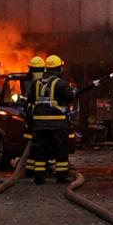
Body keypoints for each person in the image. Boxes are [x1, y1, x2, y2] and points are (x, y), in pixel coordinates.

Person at [25, 54, 75, 184]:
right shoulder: (61, 84)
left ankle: (39, 177)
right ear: (59, 68)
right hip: (57, 124)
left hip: (40, 124)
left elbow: (30, 100)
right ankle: (61, 176)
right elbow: (70, 97)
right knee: (60, 150)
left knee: (40, 151)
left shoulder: (36, 83)